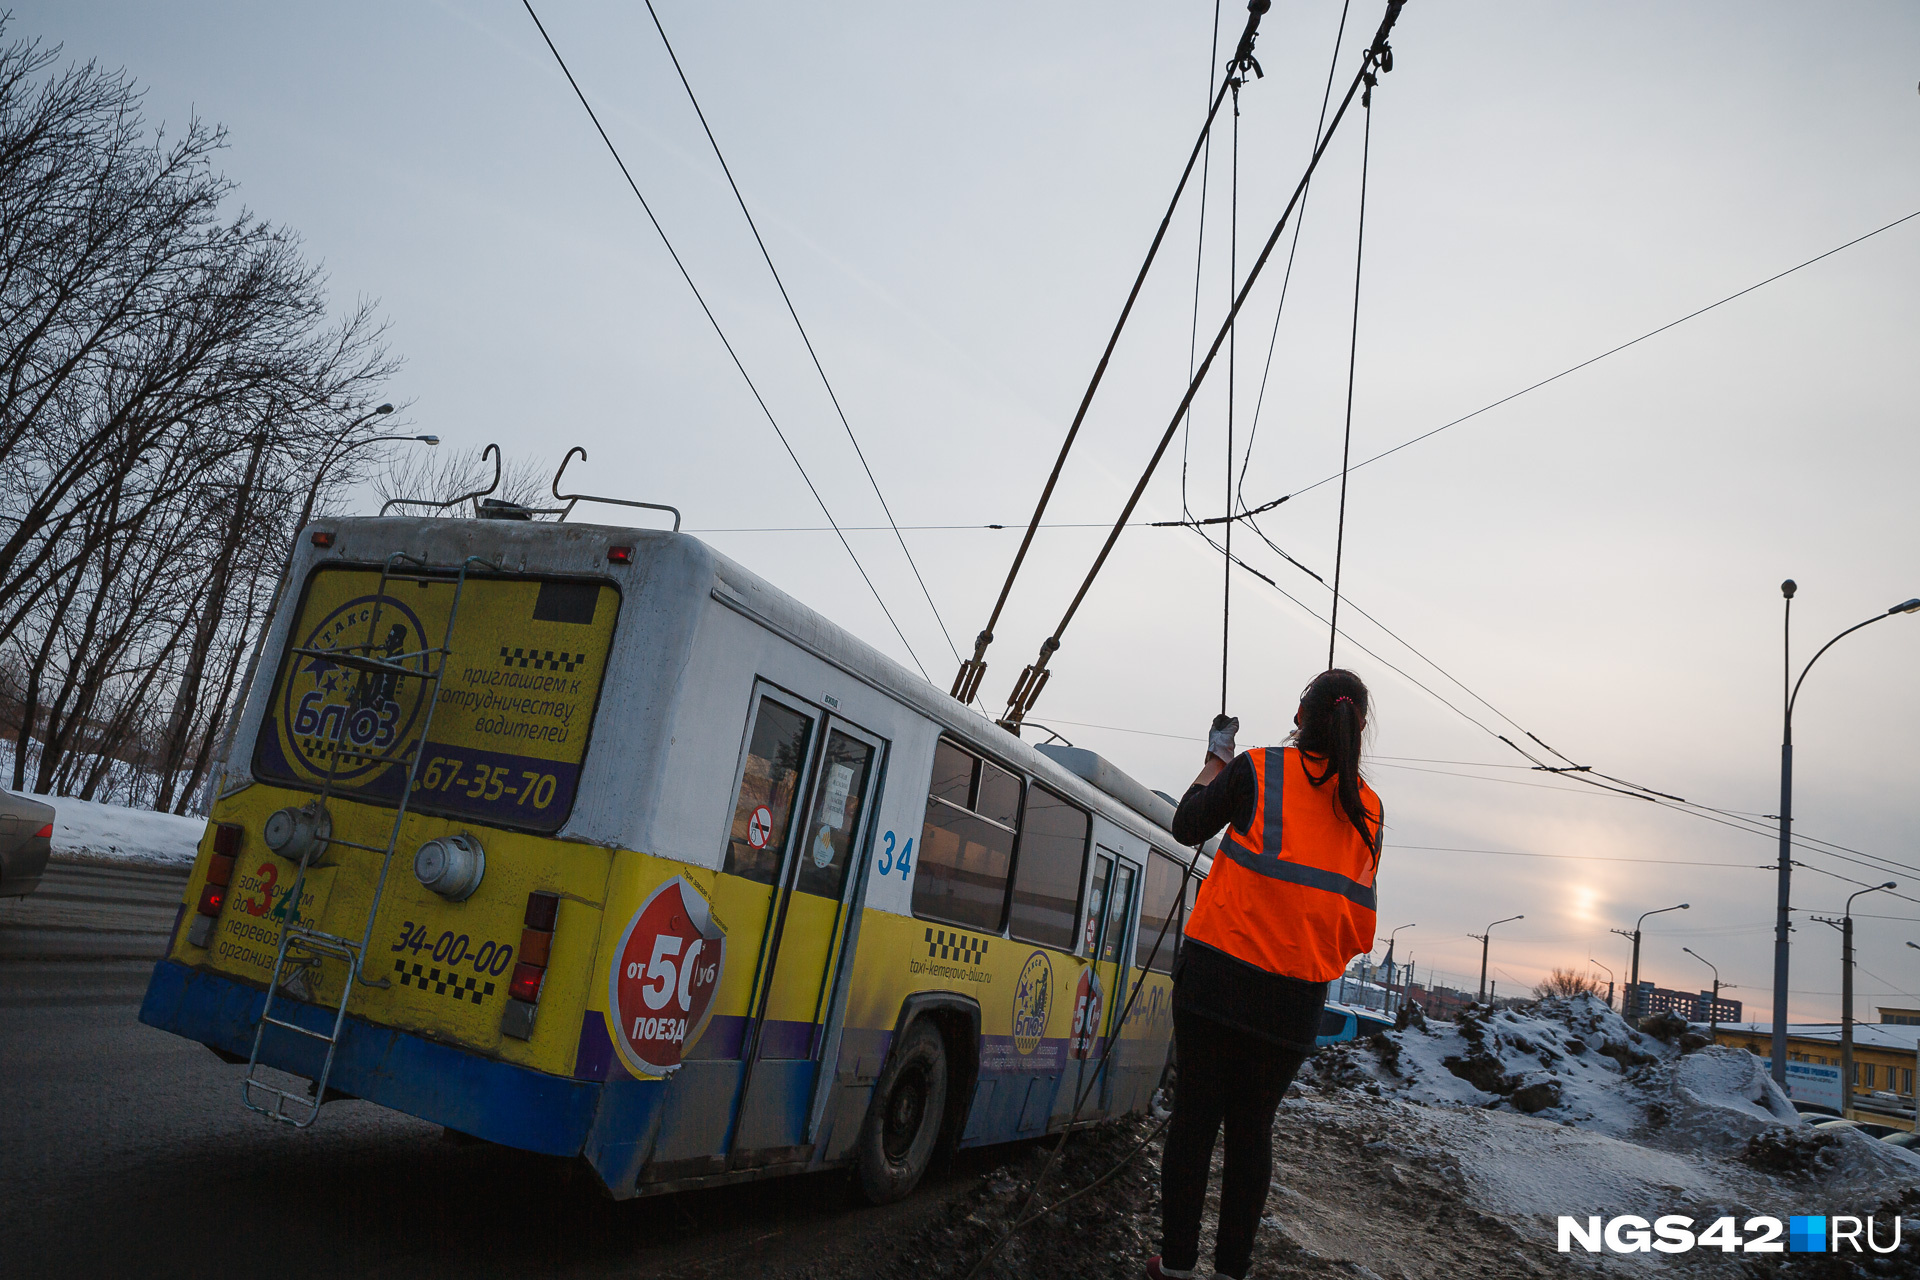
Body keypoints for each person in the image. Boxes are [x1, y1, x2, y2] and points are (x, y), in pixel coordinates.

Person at [1145, 669, 1384, 1280]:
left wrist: (1215, 760)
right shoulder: (1369, 811)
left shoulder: (1257, 769)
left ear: (1300, 717)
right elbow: (1357, 921)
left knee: (1195, 1120)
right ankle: (1230, 1274)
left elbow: (1187, 825)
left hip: (1217, 980)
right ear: (1358, 730)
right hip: (1293, 1002)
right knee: (1252, 1134)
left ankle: (1175, 1269)